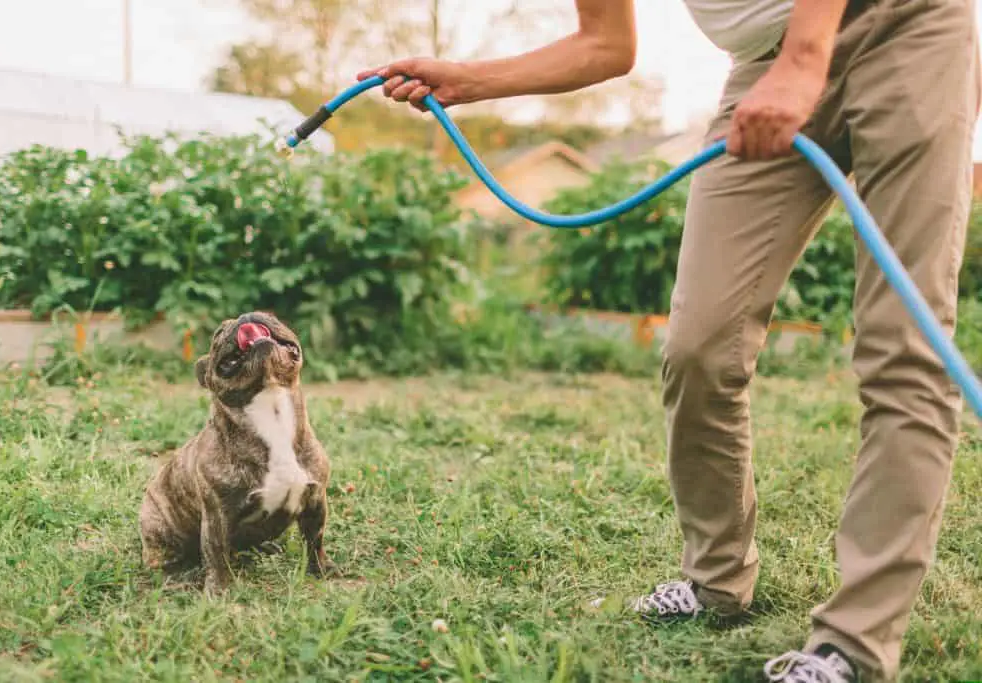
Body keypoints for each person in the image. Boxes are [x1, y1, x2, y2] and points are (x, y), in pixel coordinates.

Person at [357, 0, 980, 680]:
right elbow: (606, 44)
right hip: (765, 63)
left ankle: (854, 645)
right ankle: (717, 578)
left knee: (904, 348)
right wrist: (467, 80)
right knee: (700, 344)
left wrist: (806, 63)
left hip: (906, 25)